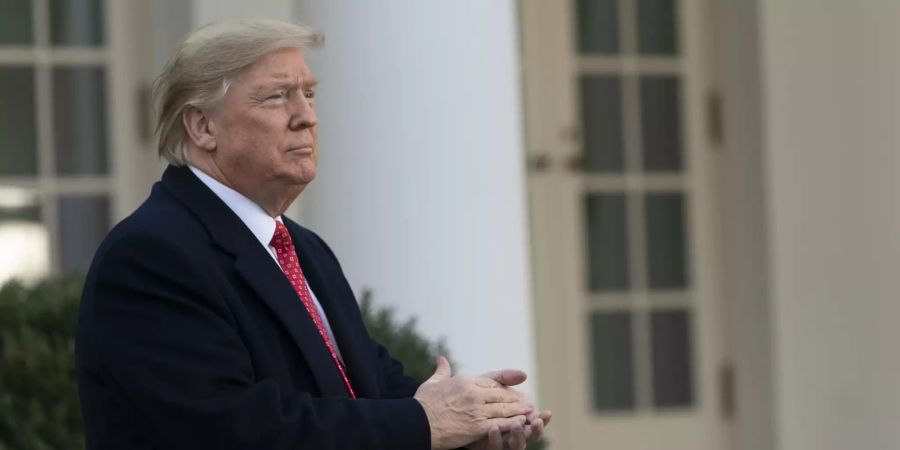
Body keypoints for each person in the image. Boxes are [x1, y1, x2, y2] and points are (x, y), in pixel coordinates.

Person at [75, 18, 550, 450]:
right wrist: (425, 423)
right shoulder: (151, 256)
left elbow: (370, 387)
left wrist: (476, 418)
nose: (306, 116)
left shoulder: (302, 247)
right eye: (278, 96)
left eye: (309, 94)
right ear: (202, 127)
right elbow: (234, 430)